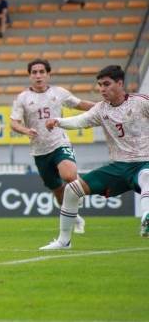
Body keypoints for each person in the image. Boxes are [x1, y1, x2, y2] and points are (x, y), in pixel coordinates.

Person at [41, 65, 149, 249]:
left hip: (144, 162)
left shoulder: (141, 102)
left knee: (147, 175)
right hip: (118, 167)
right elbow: (80, 121)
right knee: (71, 190)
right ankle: (63, 241)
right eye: (99, 85)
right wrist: (58, 121)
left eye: (106, 84)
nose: (102, 89)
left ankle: (147, 217)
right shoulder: (101, 109)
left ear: (120, 83)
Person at [10, 59, 95, 239]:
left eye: (42, 72)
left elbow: (80, 104)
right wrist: (26, 130)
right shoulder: (22, 98)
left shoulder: (59, 93)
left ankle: (78, 194)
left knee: (69, 176)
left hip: (59, 142)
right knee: (57, 190)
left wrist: (102, 107)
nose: (38, 75)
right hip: (39, 151)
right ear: (29, 76)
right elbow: (13, 123)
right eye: (34, 72)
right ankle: (76, 217)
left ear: (49, 74)